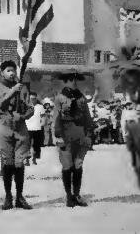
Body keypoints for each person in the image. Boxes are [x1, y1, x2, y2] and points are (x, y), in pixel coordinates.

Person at [0, 60, 33, 210]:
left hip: (20, 127)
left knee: (19, 163)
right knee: (7, 163)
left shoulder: (23, 88)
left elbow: (30, 108)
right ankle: (8, 196)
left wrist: (23, 116)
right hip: (4, 126)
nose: (12, 73)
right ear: (2, 73)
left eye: (13, 70)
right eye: (8, 70)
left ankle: (19, 196)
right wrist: (12, 91)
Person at [53, 72, 95, 208]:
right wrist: (57, 135)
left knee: (78, 165)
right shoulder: (60, 97)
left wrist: (89, 133)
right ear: (65, 81)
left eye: (75, 80)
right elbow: (56, 118)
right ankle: (68, 196)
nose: (74, 82)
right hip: (65, 134)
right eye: (71, 80)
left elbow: (88, 116)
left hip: (80, 134)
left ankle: (76, 194)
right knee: (67, 166)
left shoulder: (81, 97)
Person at [25, 92, 44, 165]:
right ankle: (26, 160)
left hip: (37, 128)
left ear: (36, 98)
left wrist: (43, 123)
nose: (33, 100)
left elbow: (43, 116)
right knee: (27, 145)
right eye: (31, 99)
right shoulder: (25, 106)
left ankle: (34, 159)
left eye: (34, 98)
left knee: (36, 145)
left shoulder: (40, 106)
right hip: (27, 128)